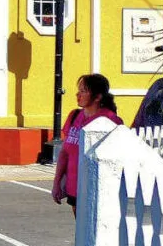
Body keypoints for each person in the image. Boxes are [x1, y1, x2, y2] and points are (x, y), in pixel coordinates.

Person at [52, 73, 123, 216]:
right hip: (74, 187)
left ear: (97, 97)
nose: (78, 95)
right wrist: (57, 183)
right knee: (81, 230)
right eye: (79, 90)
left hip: (97, 189)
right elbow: (65, 152)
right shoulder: (74, 116)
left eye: (83, 91)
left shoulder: (110, 120)